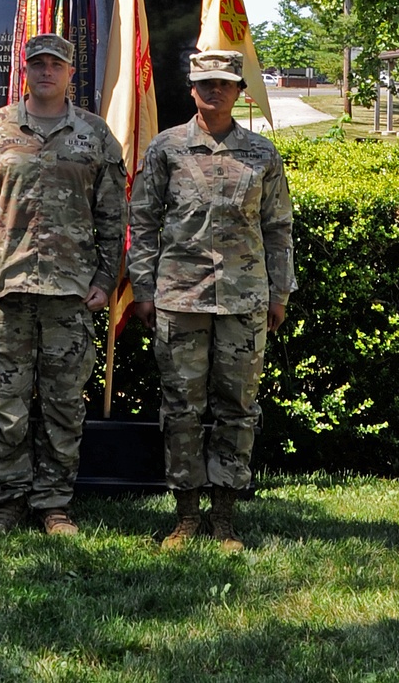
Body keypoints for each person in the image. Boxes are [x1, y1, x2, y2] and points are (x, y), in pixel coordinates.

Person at [0, 32, 126, 536]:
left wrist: (103, 279)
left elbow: (113, 217)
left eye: (57, 64)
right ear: (24, 70)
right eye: (38, 63)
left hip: (70, 297)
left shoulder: (94, 136)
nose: (47, 71)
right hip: (5, 292)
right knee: (7, 407)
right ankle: (9, 500)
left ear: (71, 72)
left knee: (64, 406)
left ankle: (54, 503)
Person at [128, 50, 296, 551]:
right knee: (181, 407)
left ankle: (224, 516)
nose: (215, 91)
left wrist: (280, 291)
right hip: (180, 298)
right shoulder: (166, 149)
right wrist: (143, 290)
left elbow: (278, 227)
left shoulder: (261, 154)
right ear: (191, 88)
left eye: (225, 83)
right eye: (206, 83)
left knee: (237, 408)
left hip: (245, 302)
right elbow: (143, 223)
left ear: (239, 91)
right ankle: (185, 514)